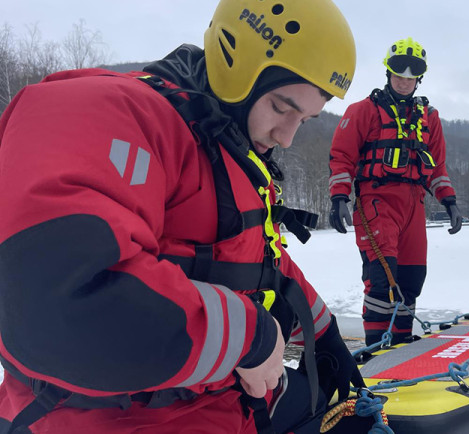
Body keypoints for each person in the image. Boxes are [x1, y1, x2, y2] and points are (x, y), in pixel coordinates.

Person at [0, 1, 365, 433]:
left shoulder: (226, 150)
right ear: (238, 68)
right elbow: (54, 300)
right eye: (282, 107)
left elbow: (256, 261)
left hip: (222, 406)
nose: (286, 136)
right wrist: (251, 337)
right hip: (104, 419)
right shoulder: (106, 111)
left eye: (303, 120)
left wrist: (320, 331)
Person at [328, 37, 462, 346]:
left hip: (414, 206)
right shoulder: (363, 110)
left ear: (419, 78)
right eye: (398, 74)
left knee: (412, 280)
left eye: (410, 76)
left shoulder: (430, 118)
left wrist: (450, 202)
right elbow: (341, 157)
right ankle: (377, 348)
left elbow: (437, 168)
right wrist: (339, 197)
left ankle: (401, 345)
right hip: (377, 201)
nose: (404, 81)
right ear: (388, 73)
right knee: (382, 280)